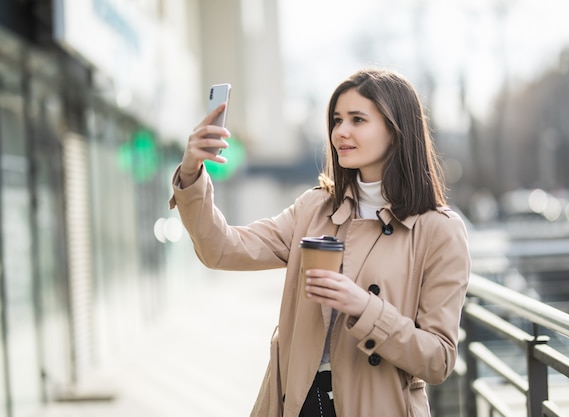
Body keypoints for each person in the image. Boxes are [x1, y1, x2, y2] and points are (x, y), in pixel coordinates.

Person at [169, 68, 471, 417]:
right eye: (337, 120)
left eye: (358, 119)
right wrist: (191, 172)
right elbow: (221, 248)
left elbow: (438, 359)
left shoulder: (438, 230)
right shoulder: (316, 208)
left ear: (396, 130)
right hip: (298, 404)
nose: (341, 131)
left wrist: (364, 307)